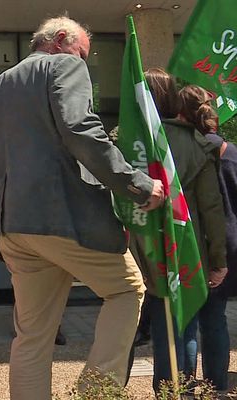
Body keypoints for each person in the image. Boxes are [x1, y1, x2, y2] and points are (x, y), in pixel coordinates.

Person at [0, 16, 165, 399]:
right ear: (61, 39)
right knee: (128, 290)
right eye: (83, 52)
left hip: (11, 227)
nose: (84, 60)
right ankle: (95, 394)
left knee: (33, 334)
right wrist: (138, 184)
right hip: (63, 217)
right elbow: (80, 129)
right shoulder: (64, 65)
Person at [129, 70, 227, 392]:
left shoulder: (128, 139)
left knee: (161, 330)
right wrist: (218, 260)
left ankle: (165, 391)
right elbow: (211, 209)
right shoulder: (195, 143)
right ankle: (180, 392)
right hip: (187, 250)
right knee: (184, 329)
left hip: (142, 252)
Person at [178, 84, 233, 392]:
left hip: (192, 243)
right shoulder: (231, 153)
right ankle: (219, 387)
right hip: (224, 246)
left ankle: (183, 389)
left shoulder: (181, 151)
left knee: (187, 323)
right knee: (215, 319)